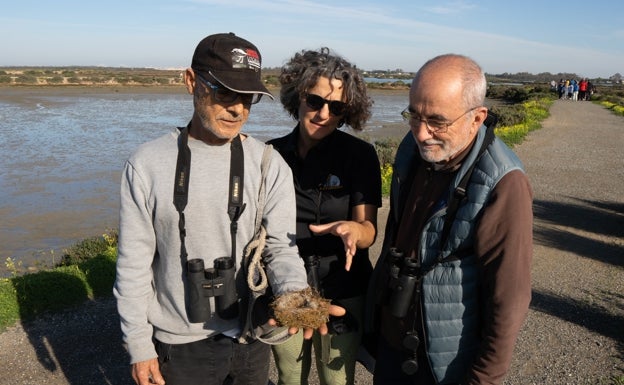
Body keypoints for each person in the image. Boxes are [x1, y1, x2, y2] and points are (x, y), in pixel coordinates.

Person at [114, 33, 341, 385]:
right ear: (191, 81)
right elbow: (133, 266)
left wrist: (297, 297)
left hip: (251, 337)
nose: (237, 108)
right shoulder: (147, 164)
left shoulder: (268, 163)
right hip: (179, 345)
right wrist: (139, 346)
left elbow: (281, 246)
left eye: (248, 97)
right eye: (224, 92)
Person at [364, 54, 533, 385]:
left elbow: (509, 300)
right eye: (414, 115)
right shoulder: (412, 152)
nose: (422, 134)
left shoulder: (504, 183)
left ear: (477, 118)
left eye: (438, 121)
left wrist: (481, 379)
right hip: (393, 344)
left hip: (444, 363)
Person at [268, 47, 382, 385]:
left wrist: (352, 230)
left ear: (348, 112)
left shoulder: (360, 156)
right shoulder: (270, 156)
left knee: (337, 379)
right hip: (287, 286)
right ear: (297, 96)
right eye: (315, 101)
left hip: (343, 285)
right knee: (290, 376)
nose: (323, 113)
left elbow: (369, 230)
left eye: (337, 107)